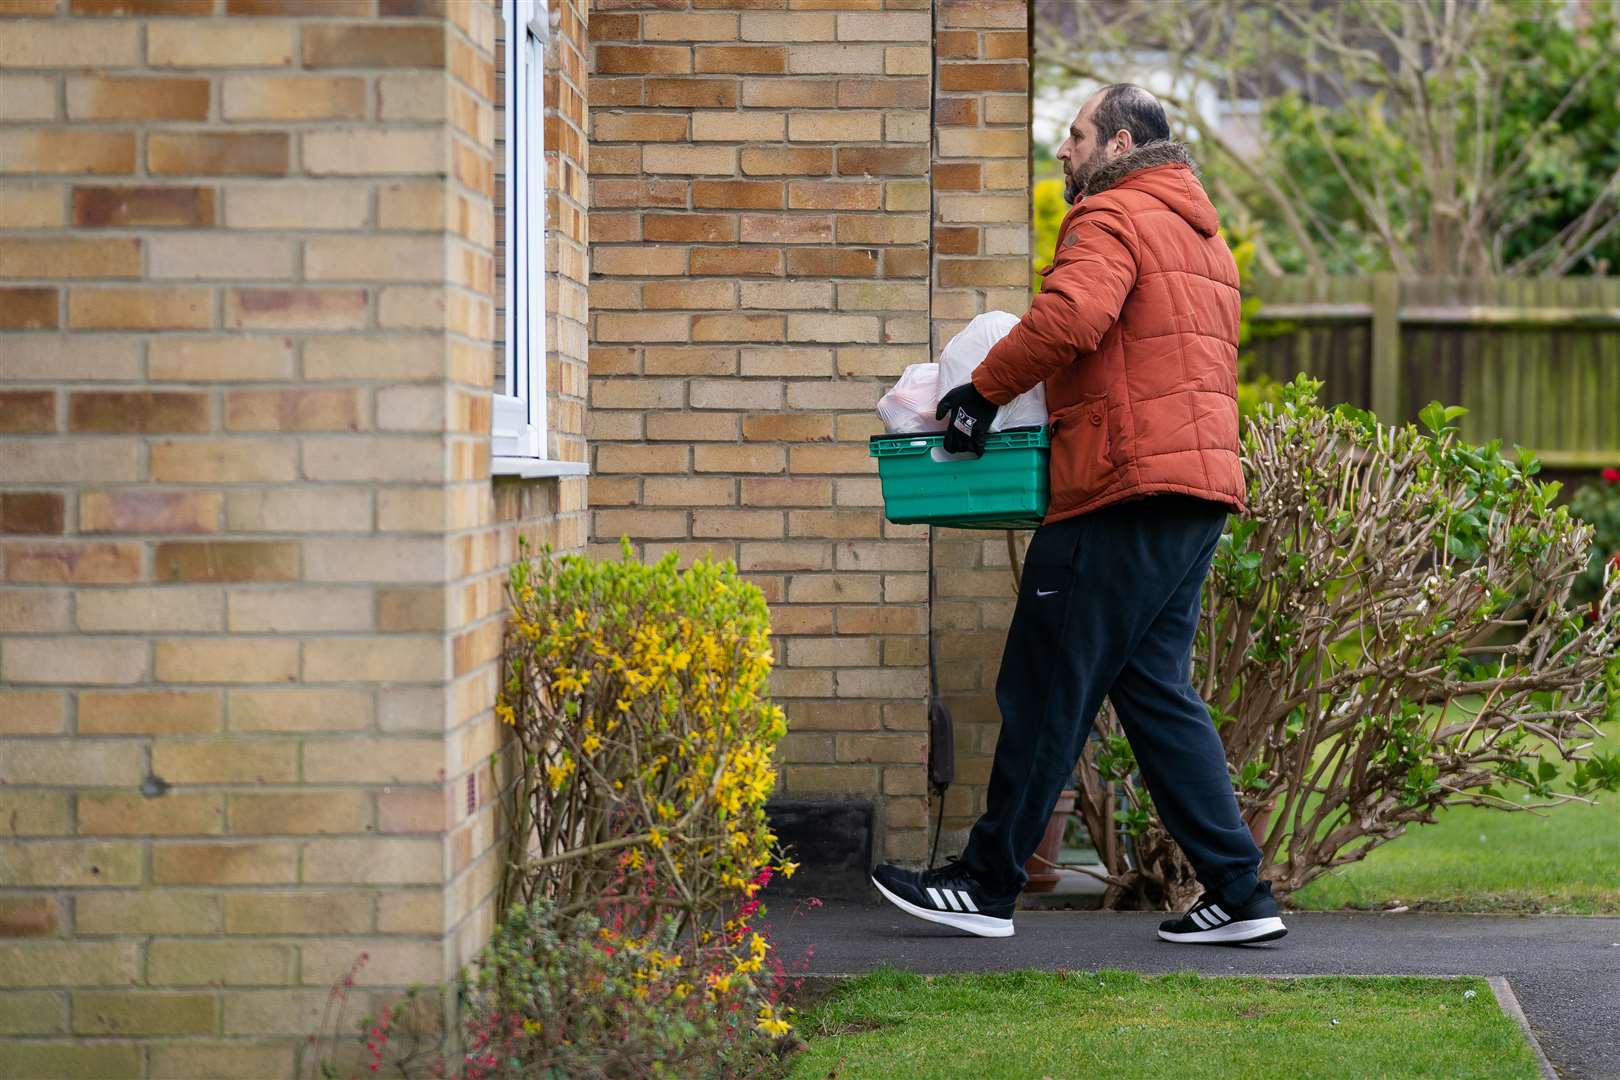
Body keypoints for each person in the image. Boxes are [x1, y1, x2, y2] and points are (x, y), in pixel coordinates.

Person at [870, 84, 1286, 945]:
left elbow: (1071, 316)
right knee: (1155, 694)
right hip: (1194, 492)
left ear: (1120, 142)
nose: (1062, 151)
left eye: (1075, 134)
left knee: (1042, 684)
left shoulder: (1112, 216)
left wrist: (980, 395)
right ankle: (1241, 894)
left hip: (1121, 490)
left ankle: (985, 885)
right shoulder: (1203, 238)